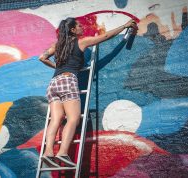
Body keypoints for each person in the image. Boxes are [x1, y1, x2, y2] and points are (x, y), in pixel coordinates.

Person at [39, 17, 138, 167]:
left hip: (53, 83)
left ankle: (48, 152)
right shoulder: (81, 42)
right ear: (72, 30)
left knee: (56, 119)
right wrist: (124, 26)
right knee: (73, 118)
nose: (81, 28)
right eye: (78, 26)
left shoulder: (57, 45)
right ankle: (62, 152)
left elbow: (42, 57)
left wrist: (57, 68)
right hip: (68, 81)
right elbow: (105, 37)